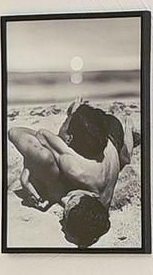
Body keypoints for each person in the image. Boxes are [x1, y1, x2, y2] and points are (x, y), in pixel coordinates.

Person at [8, 99, 134, 245]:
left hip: (110, 141)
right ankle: (123, 124)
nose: (64, 200)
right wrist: (29, 165)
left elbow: (67, 200)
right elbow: (39, 135)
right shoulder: (77, 170)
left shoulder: (96, 211)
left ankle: (123, 125)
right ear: (93, 196)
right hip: (111, 129)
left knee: (124, 158)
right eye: (71, 199)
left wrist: (31, 165)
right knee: (123, 156)